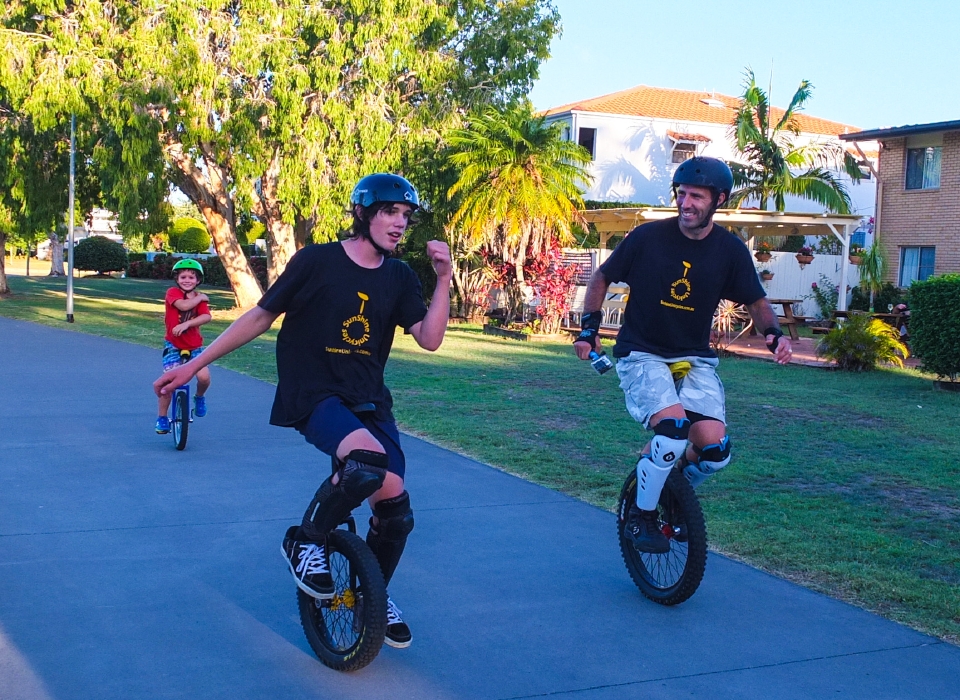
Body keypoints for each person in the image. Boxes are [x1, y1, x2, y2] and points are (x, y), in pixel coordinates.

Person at [154, 174, 452, 649]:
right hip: (313, 391)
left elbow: (430, 337)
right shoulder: (316, 261)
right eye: (390, 212)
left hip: (368, 398)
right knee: (366, 463)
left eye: (406, 216)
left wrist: (443, 280)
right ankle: (306, 539)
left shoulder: (399, 276)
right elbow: (259, 316)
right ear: (363, 213)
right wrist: (195, 365)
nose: (400, 223)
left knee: (395, 510)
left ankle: (371, 594)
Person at [573, 157, 793, 553]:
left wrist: (774, 334)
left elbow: (756, 300)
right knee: (672, 429)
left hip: (694, 357)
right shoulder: (647, 238)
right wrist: (588, 329)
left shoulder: (728, 250)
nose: (685, 203)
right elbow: (602, 276)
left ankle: (671, 496)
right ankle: (640, 516)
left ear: (718, 200)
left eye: (696, 196)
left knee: (714, 450)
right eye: (681, 194)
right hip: (641, 352)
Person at [156, 259, 212, 434]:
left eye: (191, 277)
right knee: (169, 383)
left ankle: (199, 397)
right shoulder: (172, 293)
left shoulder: (199, 299)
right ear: (177, 279)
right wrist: (202, 297)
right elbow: (183, 305)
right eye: (183, 277)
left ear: (198, 280)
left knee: (204, 378)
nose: (187, 280)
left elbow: (206, 317)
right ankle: (162, 417)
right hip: (173, 345)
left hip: (194, 346)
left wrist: (187, 324)